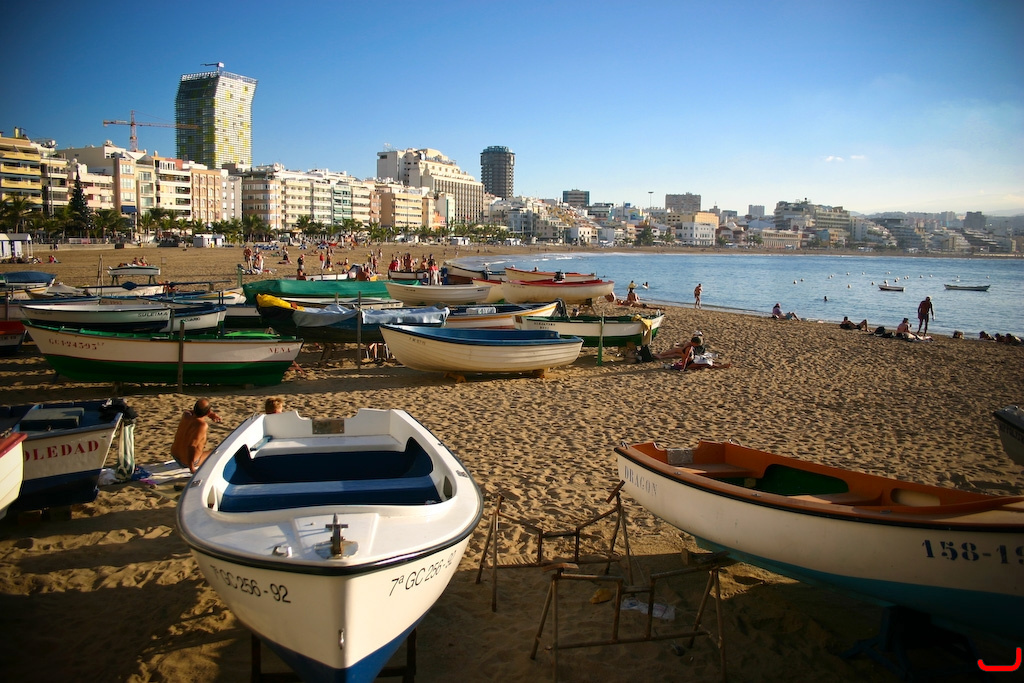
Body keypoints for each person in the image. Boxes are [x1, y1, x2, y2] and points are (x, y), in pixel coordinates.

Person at [171, 399, 222, 474]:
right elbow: (191, 446)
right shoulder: (202, 425)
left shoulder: (186, 415)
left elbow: (190, 411)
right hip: (187, 462)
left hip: (175, 455)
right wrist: (191, 468)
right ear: (208, 412)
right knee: (218, 451)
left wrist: (210, 414)